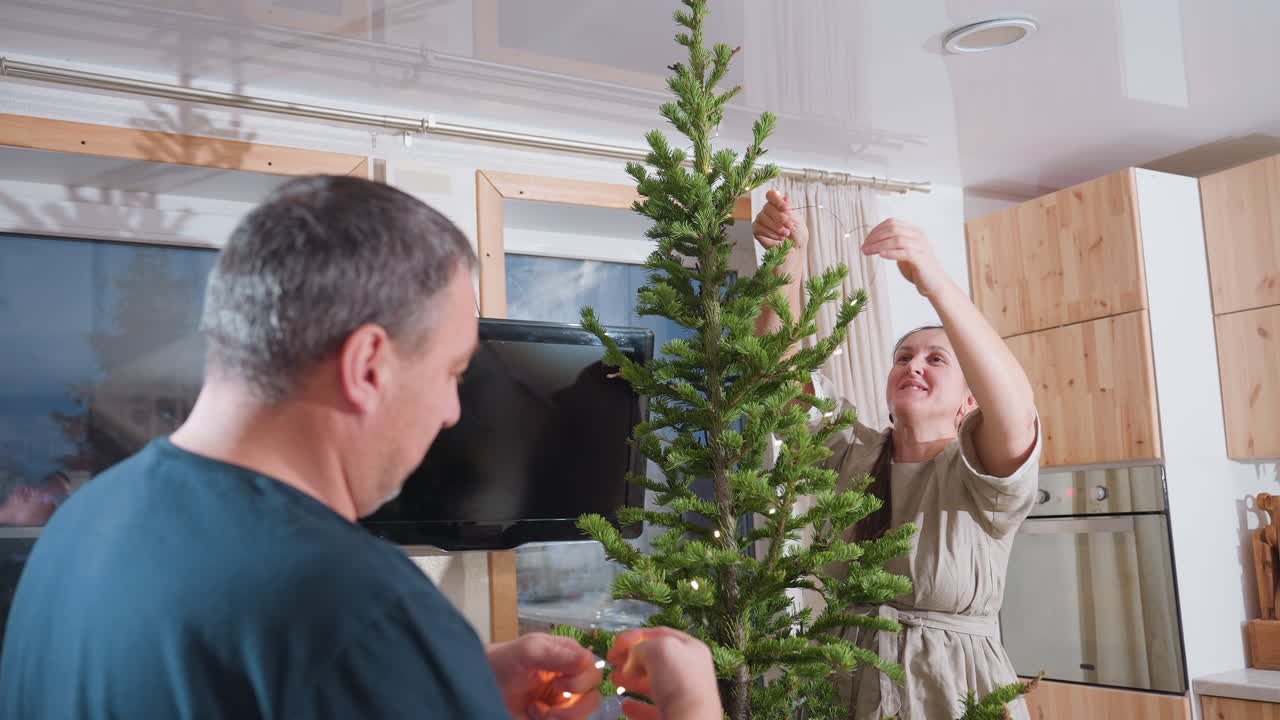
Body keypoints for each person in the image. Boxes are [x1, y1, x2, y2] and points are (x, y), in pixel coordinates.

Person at [0, 175, 721, 720]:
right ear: (368, 364)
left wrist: (449, 680)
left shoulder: (78, 530)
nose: (447, 412)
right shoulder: (354, 608)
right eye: (450, 374)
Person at [752, 190, 1040, 720]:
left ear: (970, 397)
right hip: (841, 685)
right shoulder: (852, 453)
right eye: (904, 357)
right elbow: (776, 379)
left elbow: (1017, 407)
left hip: (953, 690)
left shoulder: (983, 470)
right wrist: (786, 259)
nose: (914, 366)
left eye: (937, 359)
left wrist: (931, 277)